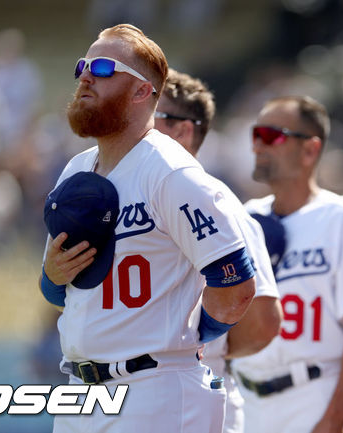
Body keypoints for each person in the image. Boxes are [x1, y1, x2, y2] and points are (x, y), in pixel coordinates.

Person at [39, 24, 256, 433]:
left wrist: (186, 340)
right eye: (82, 65)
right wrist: (50, 277)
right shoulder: (76, 170)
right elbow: (57, 291)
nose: (85, 75)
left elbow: (236, 287)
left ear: (143, 92)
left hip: (155, 389)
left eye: (103, 68)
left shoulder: (172, 175)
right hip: (79, 392)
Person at [232, 95, 343, 433]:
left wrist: (335, 417)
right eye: (255, 134)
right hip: (247, 400)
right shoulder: (245, 218)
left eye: (272, 135)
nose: (258, 145)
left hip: (313, 394)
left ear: (310, 150)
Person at [154, 67, 283, 433]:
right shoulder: (126, 195)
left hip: (193, 399)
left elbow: (261, 323)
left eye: (152, 117)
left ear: (182, 130)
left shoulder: (220, 205)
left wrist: (200, 346)